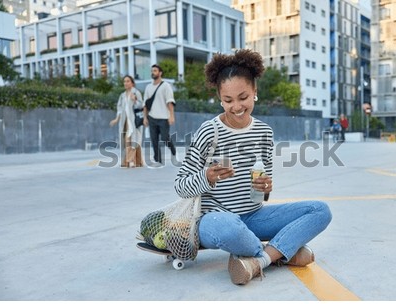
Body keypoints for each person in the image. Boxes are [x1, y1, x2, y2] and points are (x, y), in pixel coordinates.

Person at [174, 49, 332, 285]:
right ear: (219, 98)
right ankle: (281, 252)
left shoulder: (264, 132)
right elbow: (180, 185)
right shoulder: (209, 131)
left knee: (320, 211)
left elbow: (264, 189)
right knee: (230, 230)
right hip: (215, 219)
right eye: (228, 100)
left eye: (243, 97)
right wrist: (207, 176)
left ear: (255, 92)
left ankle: (258, 260)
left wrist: (266, 186)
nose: (236, 106)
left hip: (253, 216)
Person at [143, 64, 177, 167]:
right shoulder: (148, 87)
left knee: (165, 137)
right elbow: (145, 104)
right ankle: (158, 160)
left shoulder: (166, 86)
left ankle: (172, 148)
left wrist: (171, 116)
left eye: (155, 71)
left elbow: (169, 102)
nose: (153, 72)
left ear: (160, 73)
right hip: (152, 117)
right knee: (154, 139)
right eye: (152, 71)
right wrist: (145, 117)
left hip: (163, 118)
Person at [109, 75, 144, 168]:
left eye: (128, 81)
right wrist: (116, 119)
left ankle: (130, 160)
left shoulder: (136, 93)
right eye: (124, 81)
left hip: (134, 121)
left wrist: (135, 100)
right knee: (130, 141)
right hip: (125, 121)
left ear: (132, 83)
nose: (125, 83)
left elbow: (141, 106)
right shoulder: (122, 95)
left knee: (132, 140)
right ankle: (138, 161)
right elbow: (119, 109)